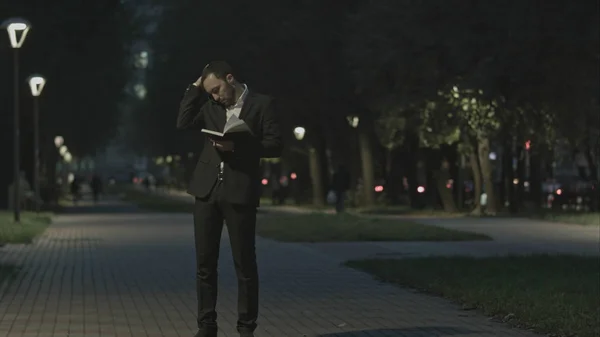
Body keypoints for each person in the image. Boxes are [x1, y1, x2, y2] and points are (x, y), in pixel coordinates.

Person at [176, 61, 282, 337]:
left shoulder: (262, 104)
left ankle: (246, 328)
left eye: (217, 89)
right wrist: (197, 87)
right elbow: (183, 121)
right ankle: (206, 325)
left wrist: (238, 146)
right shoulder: (211, 106)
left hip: (240, 190)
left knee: (244, 263)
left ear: (230, 79)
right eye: (209, 92)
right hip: (206, 190)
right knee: (204, 263)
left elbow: (275, 144)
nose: (215, 96)